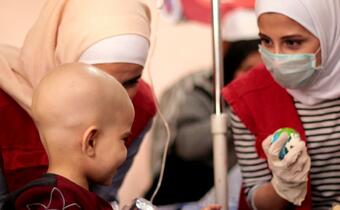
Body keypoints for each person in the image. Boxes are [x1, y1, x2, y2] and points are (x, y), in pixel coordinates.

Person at [0, 0, 156, 206]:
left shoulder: (138, 107)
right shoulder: (4, 103)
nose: (117, 98)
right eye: (99, 80)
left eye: (131, 81)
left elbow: (104, 197)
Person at [222, 0, 340, 209]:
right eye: (266, 41)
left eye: (292, 42)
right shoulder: (247, 97)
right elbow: (255, 197)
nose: (276, 58)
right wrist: (283, 186)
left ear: (329, 32)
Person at [145, 9, 262, 205]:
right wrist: (239, 114)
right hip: (187, 192)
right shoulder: (200, 90)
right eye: (248, 69)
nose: (254, 78)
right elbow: (187, 145)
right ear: (231, 65)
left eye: (262, 70)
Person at [2, 63, 135, 210]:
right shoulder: (55, 202)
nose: (125, 151)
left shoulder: (67, 196)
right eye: (124, 139)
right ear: (91, 142)